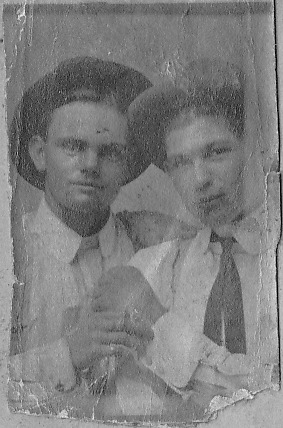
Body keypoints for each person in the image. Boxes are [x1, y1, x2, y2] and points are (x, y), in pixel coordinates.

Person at [120, 58, 278, 419]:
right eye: (179, 163)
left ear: (256, 147)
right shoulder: (151, 271)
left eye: (216, 152)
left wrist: (162, 326)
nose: (200, 179)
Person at [8, 56, 153, 416]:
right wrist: (68, 352)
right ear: (40, 153)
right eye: (73, 146)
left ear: (128, 163)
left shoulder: (153, 248)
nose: (90, 165)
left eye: (109, 152)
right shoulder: (10, 254)